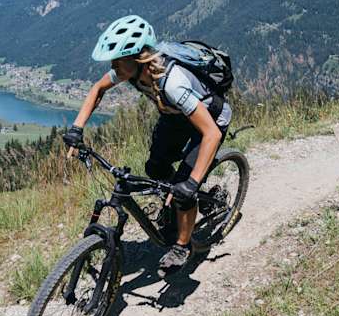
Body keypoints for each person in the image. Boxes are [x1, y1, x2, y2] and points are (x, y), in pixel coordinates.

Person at [62, 15, 232, 274]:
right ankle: (181, 203)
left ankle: (183, 245)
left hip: (210, 120)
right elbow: (98, 88)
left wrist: (191, 183)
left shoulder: (172, 83)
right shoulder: (130, 71)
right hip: (176, 116)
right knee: (155, 167)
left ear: (137, 57)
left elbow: (211, 133)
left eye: (118, 61)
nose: (114, 66)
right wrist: (77, 129)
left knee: (185, 186)